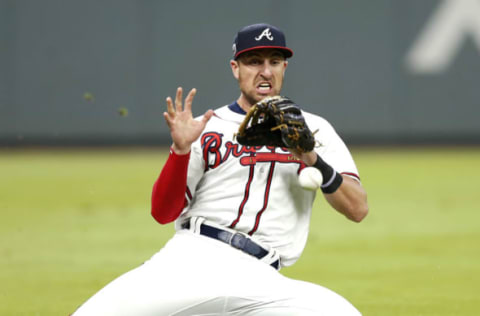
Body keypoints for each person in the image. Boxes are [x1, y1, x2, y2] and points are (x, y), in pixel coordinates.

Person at [72, 23, 368, 316]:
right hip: (191, 262)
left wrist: (313, 158)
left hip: (261, 282)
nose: (265, 71)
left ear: (284, 67)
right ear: (235, 68)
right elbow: (163, 212)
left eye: (274, 61)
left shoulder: (314, 130)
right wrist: (181, 151)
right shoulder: (205, 126)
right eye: (254, 62)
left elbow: (357, 209)